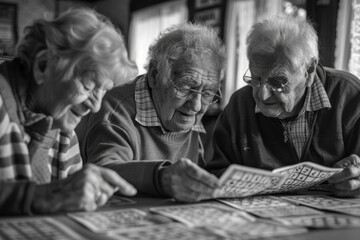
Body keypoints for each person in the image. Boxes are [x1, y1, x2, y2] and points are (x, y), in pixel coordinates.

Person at [0, 8, 138, 215]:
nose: (95, 106)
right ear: (43, 65)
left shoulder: (64, 130)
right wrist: (43, 196)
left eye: (103, 92)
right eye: (89, 86)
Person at [205, 16, 360, 197]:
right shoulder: (239, 105)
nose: (262, 95)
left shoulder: (349, 95)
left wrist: (354, 180)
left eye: (277, 82)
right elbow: (214, 174)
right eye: (256, 78)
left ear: (309, 71)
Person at [76, 23, 226, 202]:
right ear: (155, 75)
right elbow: (105, 171)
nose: (196, 105)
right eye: (186, 87)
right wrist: (162, 178)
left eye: (208, 93)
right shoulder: (115, 110)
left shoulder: (182, 109)